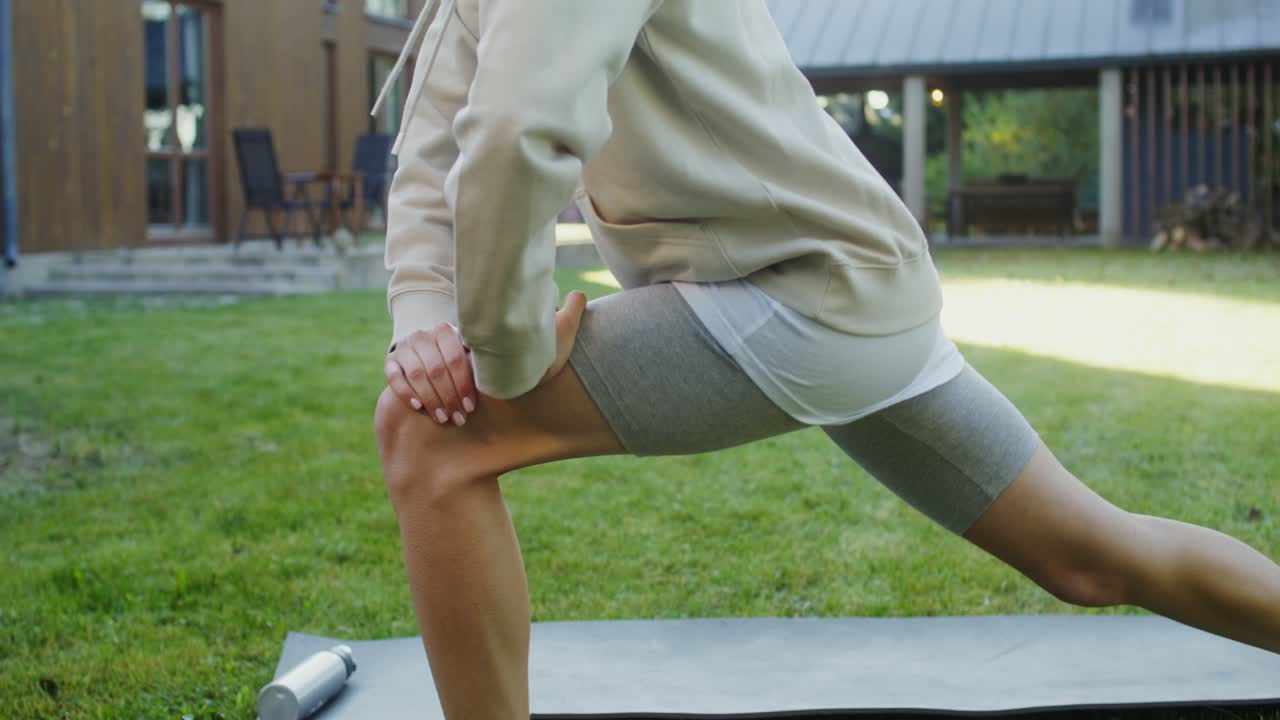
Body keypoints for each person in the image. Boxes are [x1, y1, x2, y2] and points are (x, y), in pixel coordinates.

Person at [371, 1, 1280, 717]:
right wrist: (423, 314)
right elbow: (435, 149)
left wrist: (504, 354)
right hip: (851, 290)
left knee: (431, 435)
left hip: (802, 291)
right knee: (1092, 559)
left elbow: (518, 131)